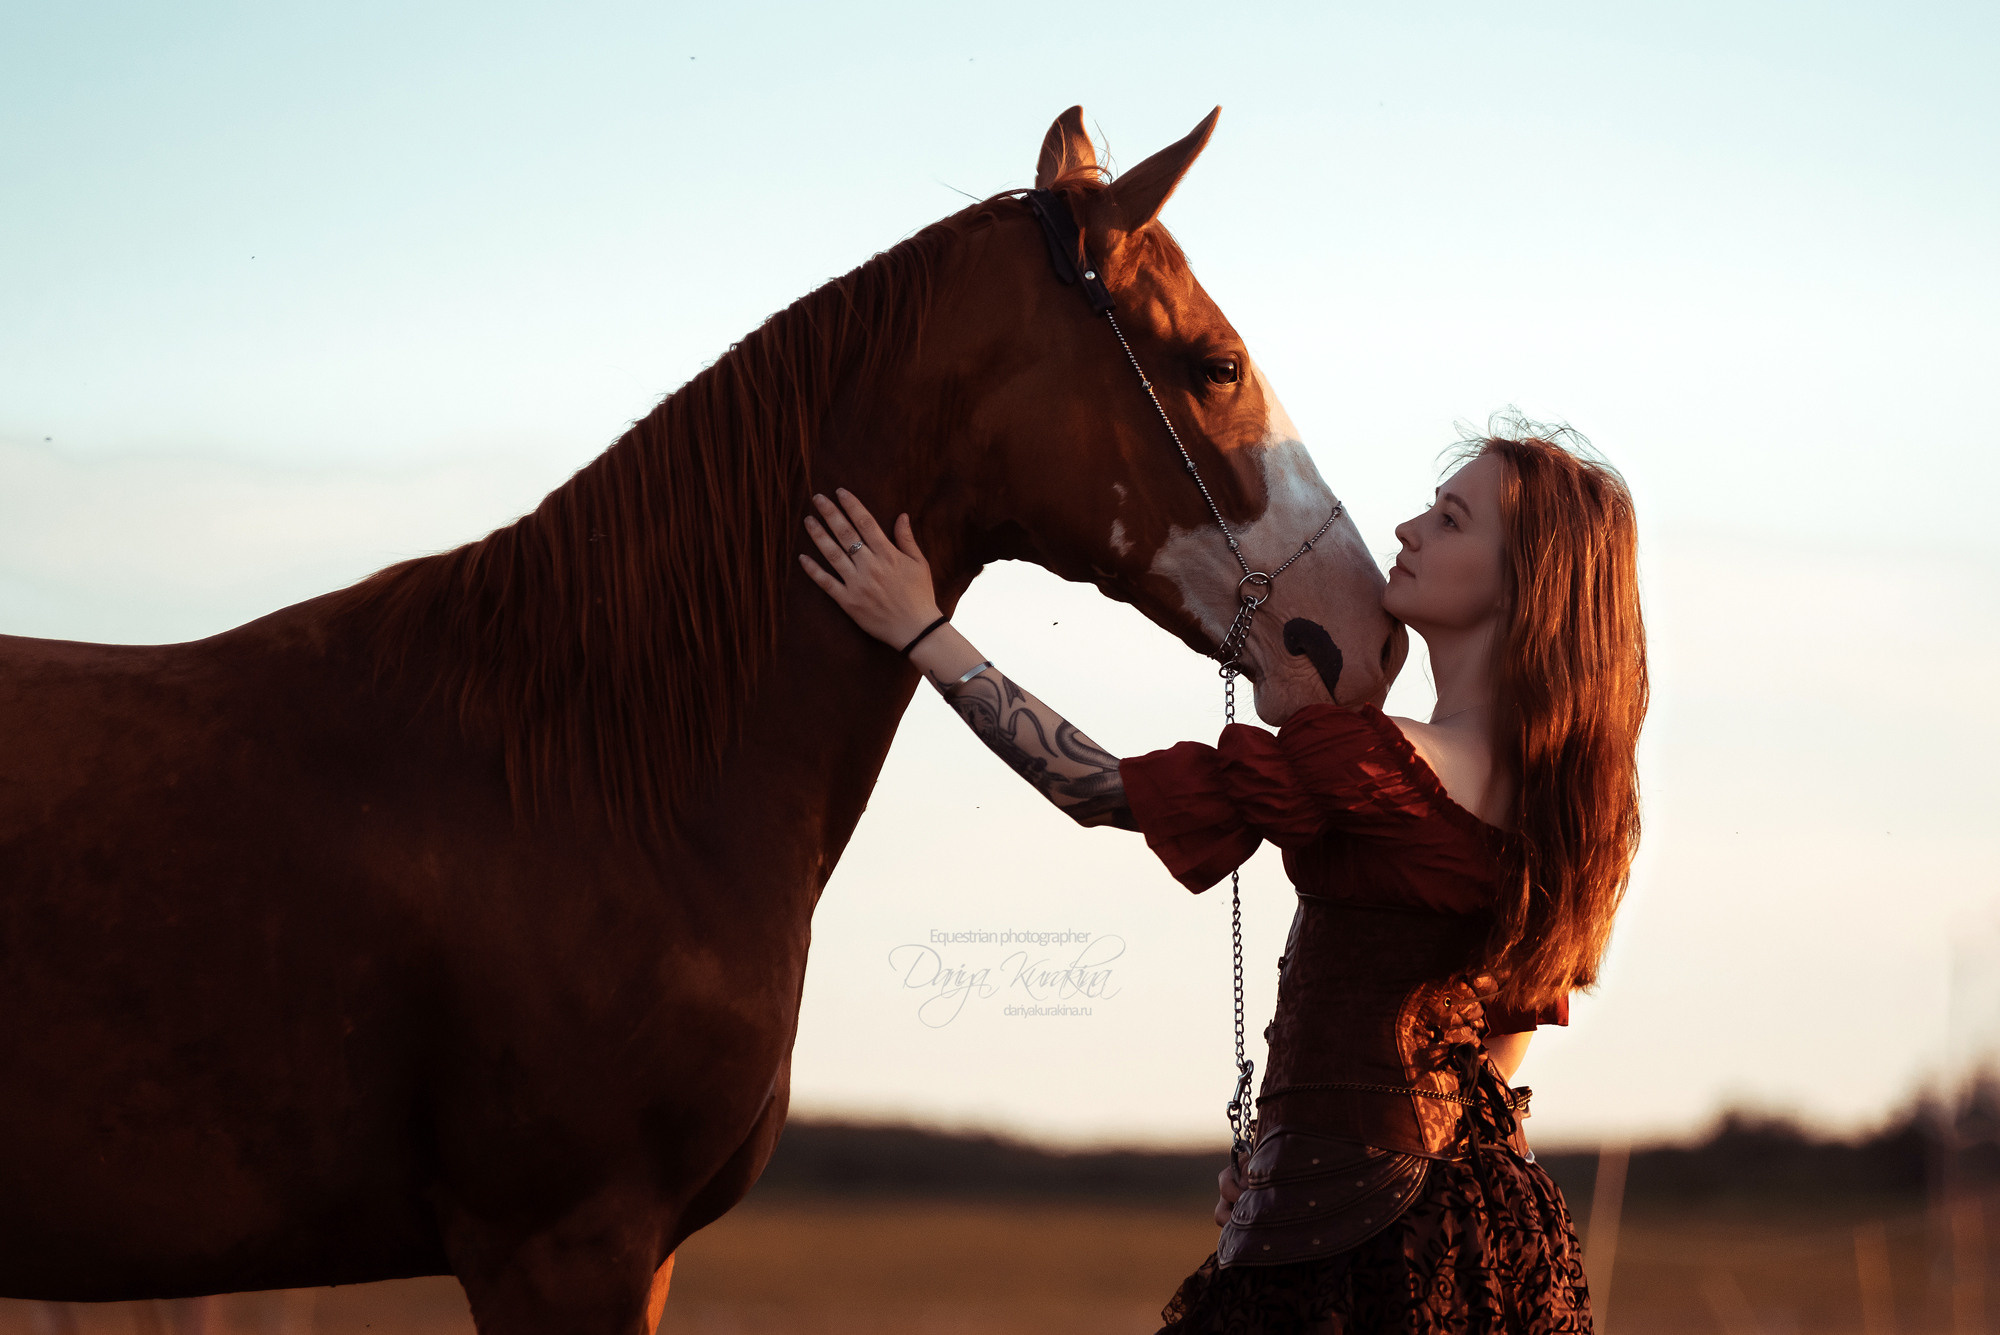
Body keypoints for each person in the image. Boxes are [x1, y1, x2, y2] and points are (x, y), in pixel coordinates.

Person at [797, 420, 1646, 1334]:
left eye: (1448, 519)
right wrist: (1302, 1155)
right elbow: (1501, 1041)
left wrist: (921, 628)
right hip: (1484, 1237)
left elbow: (1095, 786)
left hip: (1371, 1254)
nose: (1406, 529)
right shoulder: (1563, 804)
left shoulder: (1378, 761)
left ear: (1525, 580)